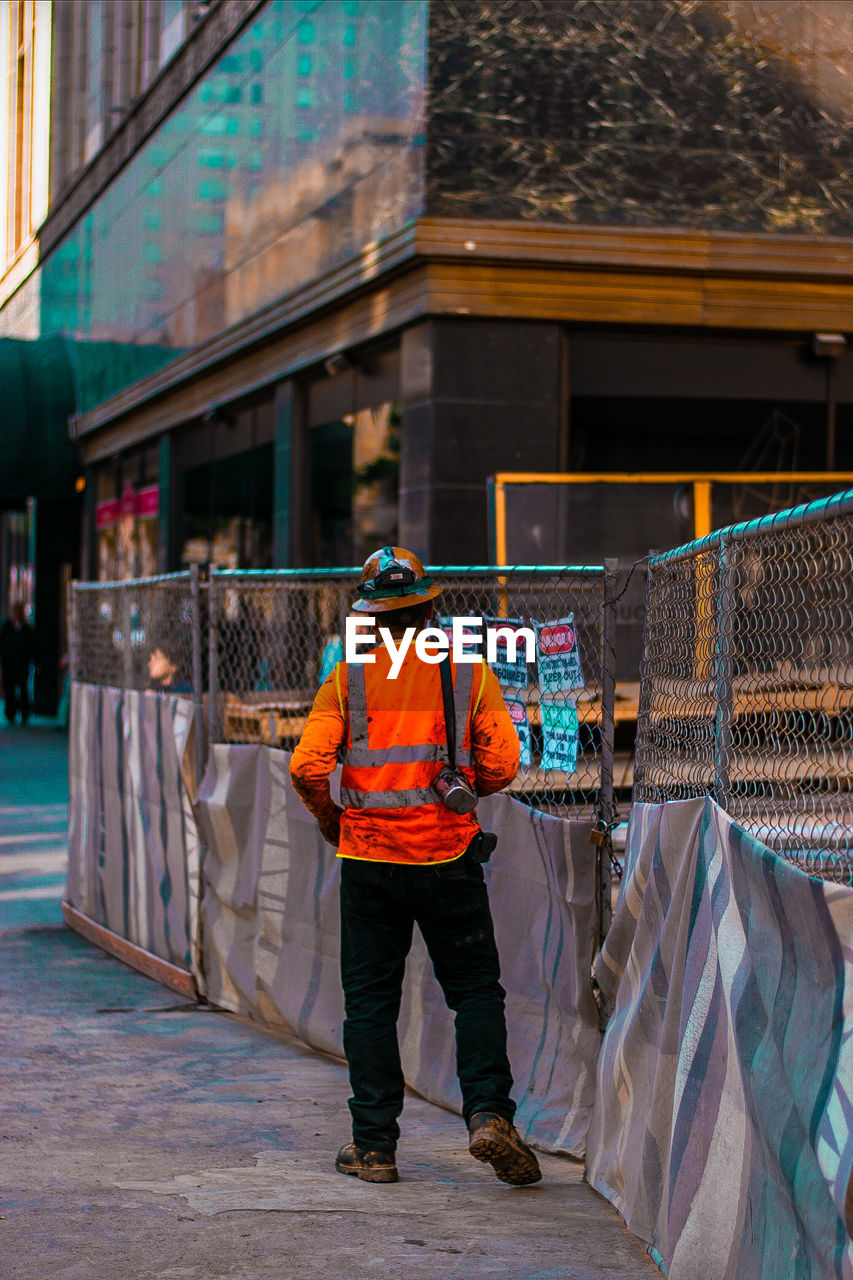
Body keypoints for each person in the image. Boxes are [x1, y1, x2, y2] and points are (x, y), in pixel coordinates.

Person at [290, 546, 541, 1187]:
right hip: (448, 857)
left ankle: (374, 1148)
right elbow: (505, 764)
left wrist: (334, 821)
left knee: (371, 1006)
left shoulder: (347, 677)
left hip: (368, 860)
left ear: (369, 616)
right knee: (475, 992)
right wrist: (464, 790)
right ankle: (489, 1114)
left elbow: (307, 767)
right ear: (431, 608)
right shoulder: (468, 674)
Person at [0, 602, 38, 725]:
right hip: (9, 663)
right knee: (9, 688)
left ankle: (24, 712)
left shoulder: (27, 629)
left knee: (23, 688)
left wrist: (36, 662)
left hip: (22, 663)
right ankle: (10, 713)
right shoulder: (6, 627)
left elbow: (32, 647)